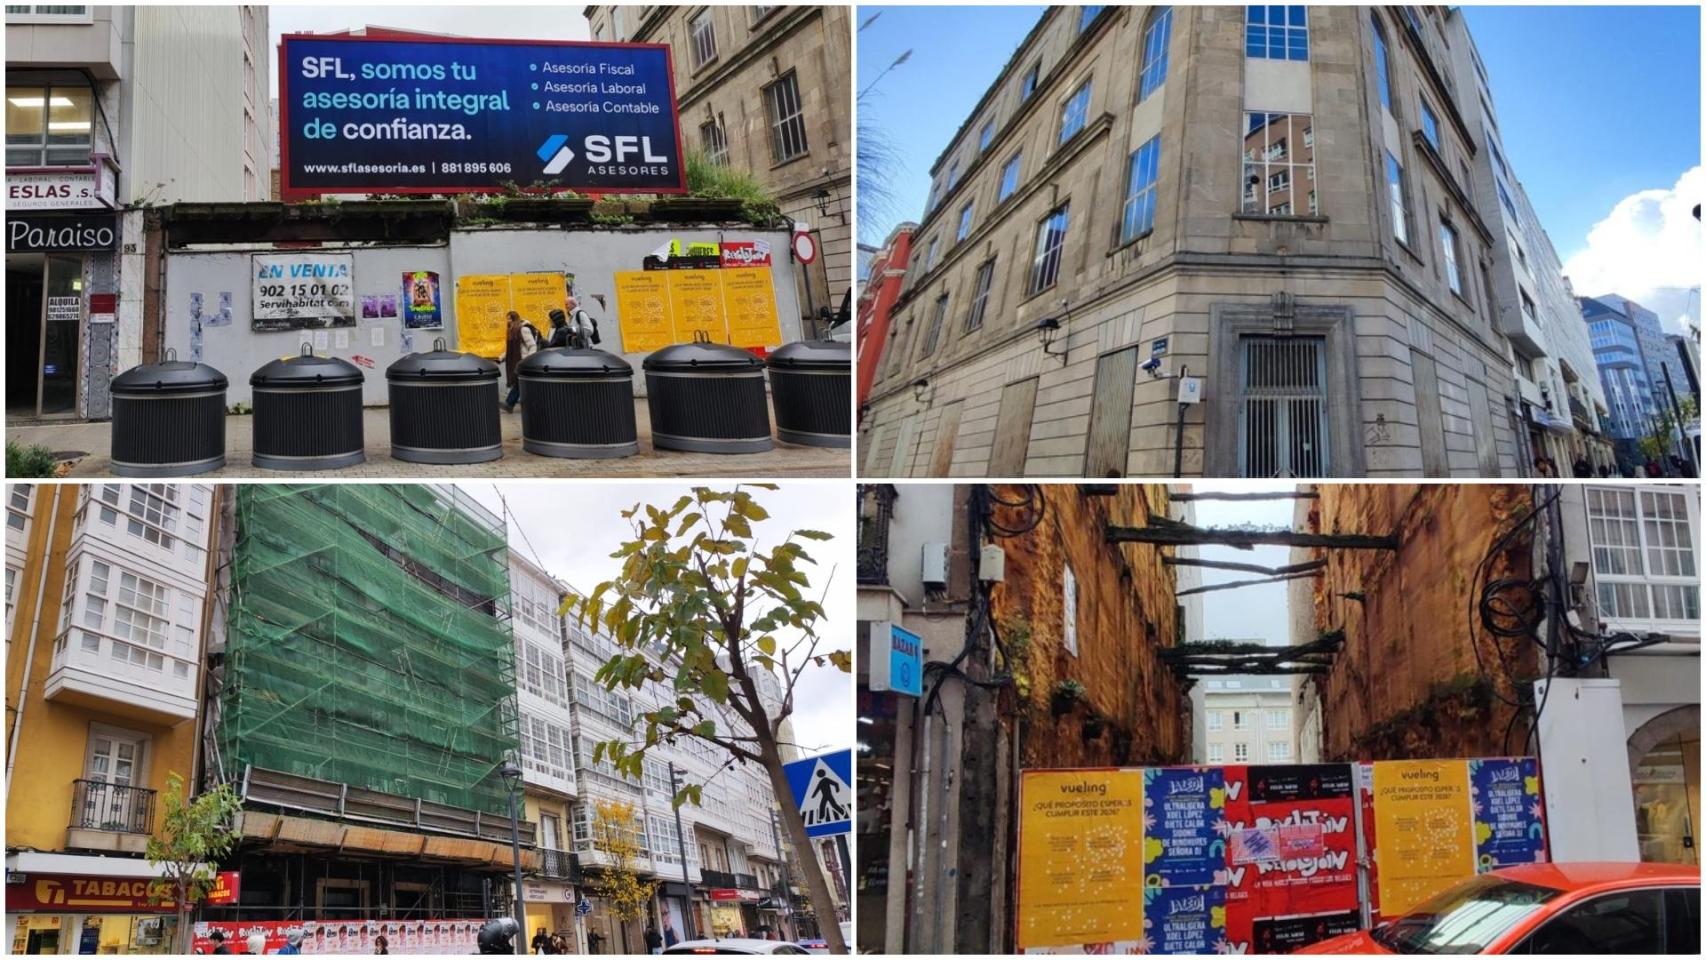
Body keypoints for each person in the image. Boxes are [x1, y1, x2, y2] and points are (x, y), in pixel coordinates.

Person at [500, 311, 544, 413]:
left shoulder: (523, 329)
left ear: (515, 319)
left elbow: (532, 345)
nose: (508, 321)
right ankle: (510, 404)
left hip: (524, 361)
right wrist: (501, 357)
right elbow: (510, 350)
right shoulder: (512, 331)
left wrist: (528, 360)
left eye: (510, 319)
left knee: (519, 382)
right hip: (519, 362)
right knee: (520, 383)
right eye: (507, 319)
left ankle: (509, 403)